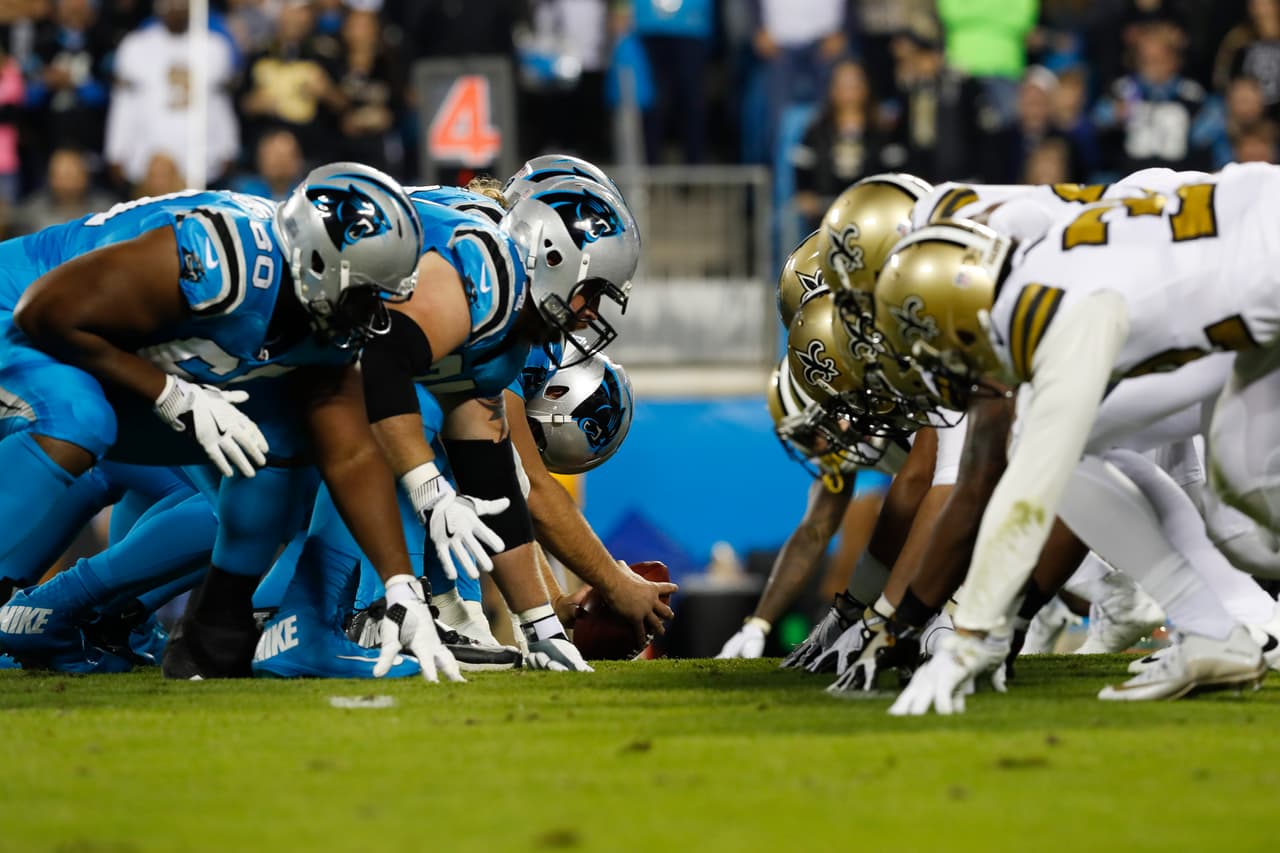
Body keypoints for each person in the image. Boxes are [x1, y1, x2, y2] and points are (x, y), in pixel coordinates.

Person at [0, 162, 444, 682]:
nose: (375, 310)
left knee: (278, 442)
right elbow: (45, 315)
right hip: (21, 310)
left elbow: (350, 453)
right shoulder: (227, 255)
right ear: (320, 261)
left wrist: (400, 585)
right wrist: (168, 392)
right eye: (367, 290)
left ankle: (216, 634)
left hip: (109, 358)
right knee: (76, 417)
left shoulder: (317, 316)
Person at [871, 163, 1280, 713]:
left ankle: (1215, 627)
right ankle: (1211, 633)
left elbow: (1029, 492)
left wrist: (966, 640)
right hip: (1251, 303)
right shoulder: (1030, 249)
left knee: (1060, 452)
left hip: (1262, 280)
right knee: (1243, 512)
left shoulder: (1057, 313)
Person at [103, 0, 239, 190]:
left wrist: (227, 148)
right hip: (148, 154)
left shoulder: (214, 46)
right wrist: (116, 152)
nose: (175, 8)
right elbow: (123, 104)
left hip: (201, 157)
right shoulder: (135, 46)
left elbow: (220, 103)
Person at [791, 60, 887, 227]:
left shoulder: (881, 130)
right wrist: (805, 193)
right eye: (843, 85)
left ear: (865, 89)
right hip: (825, 217)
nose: (849, 93)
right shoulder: (816, 130)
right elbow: (802, 164)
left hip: (871, 217)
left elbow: (894, 166)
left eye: (854, 85)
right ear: (833, 90)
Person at [12, 148, 116, 235]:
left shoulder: (107, 210)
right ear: (50, 176)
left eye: (73, 174)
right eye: (63, 175)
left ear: (86, 176)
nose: (68, 182)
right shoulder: (29, 214)